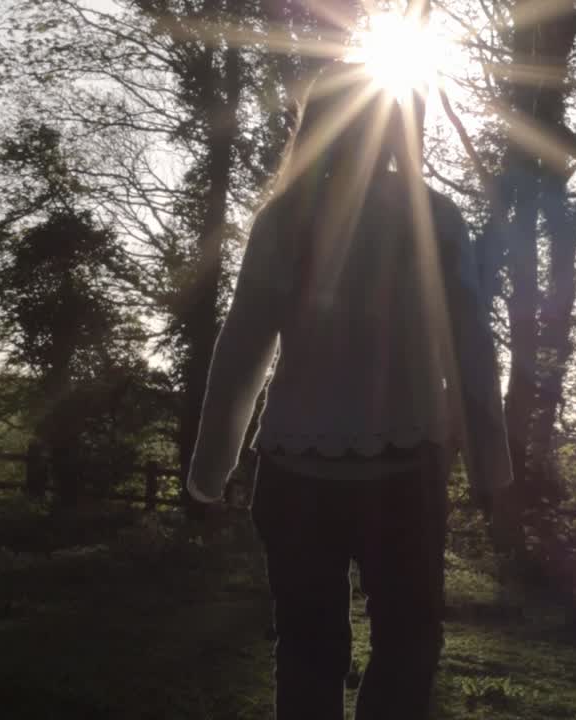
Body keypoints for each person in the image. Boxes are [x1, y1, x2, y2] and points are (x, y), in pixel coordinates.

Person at [184, 59, 513, 720]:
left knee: (307, 648)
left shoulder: (284, 219)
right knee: (409, 644)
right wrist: (492, 468)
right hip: (405, 477)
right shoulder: (435, 218)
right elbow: (471, 346)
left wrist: (208, 474)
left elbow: (242, 349)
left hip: (295, 474)